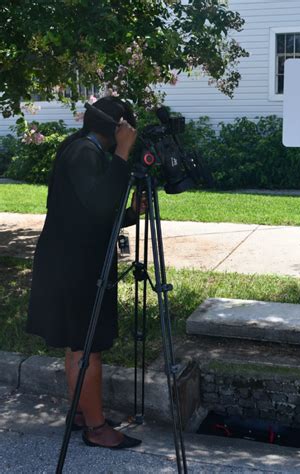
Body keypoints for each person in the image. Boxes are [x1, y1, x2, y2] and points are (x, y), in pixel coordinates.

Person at [27, 96, 145, 449]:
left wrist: (128, 213)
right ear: (118, 128)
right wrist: (123, 155)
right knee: (86, 347)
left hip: (73, 259)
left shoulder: (84, 150)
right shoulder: (84, 152)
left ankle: (81, 413)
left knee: (80, 343)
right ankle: (95, 429)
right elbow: (97, 205)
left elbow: (92, 214)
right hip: (74, 265)